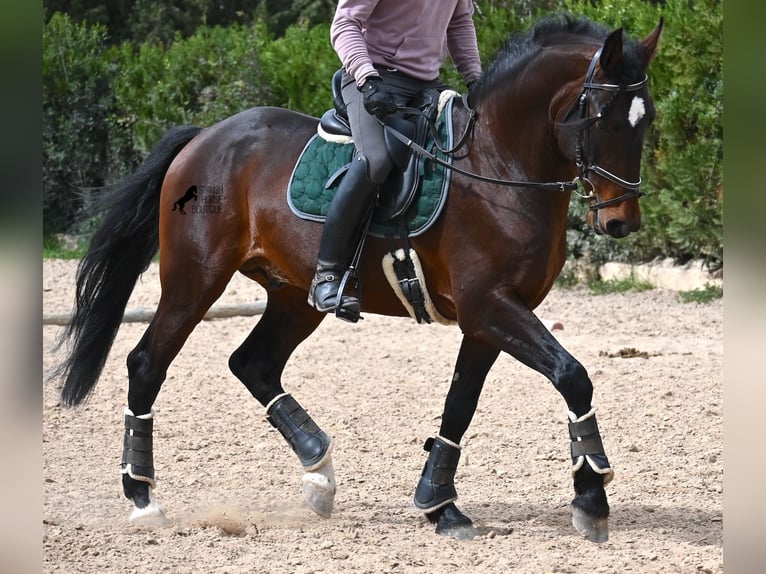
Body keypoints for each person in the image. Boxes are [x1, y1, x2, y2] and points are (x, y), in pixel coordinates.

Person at [307, 0, 483, 319]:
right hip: (372, 80)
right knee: (376, 159)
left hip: (427, 85)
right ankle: (327, 275)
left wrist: (476, 80)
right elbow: (344, 24)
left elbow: (459, 24)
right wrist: (367, 77)